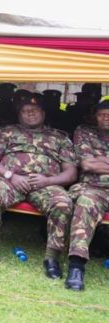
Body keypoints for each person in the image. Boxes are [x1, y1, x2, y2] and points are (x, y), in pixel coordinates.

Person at [0, 92, 78, 278]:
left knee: (63, 204)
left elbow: (71, 173)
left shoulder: (59, 137)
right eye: (25, 111)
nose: (30, 113)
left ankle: (52, 258)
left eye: (35, 110)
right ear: (19, 114)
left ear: (43, 113)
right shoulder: (5, 132)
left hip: (46, 184)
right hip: (9, 180)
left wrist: (48, 181)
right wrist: (10, 175)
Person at [63, 100, 109, 291]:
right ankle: (77, 265)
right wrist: (94, 162)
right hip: (93, 188)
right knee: (85, 202)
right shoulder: (84, 131)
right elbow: (87, 164)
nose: (105, 118)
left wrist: (100, 160)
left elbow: (93, 162)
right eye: (101, 115)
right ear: (95, 117)